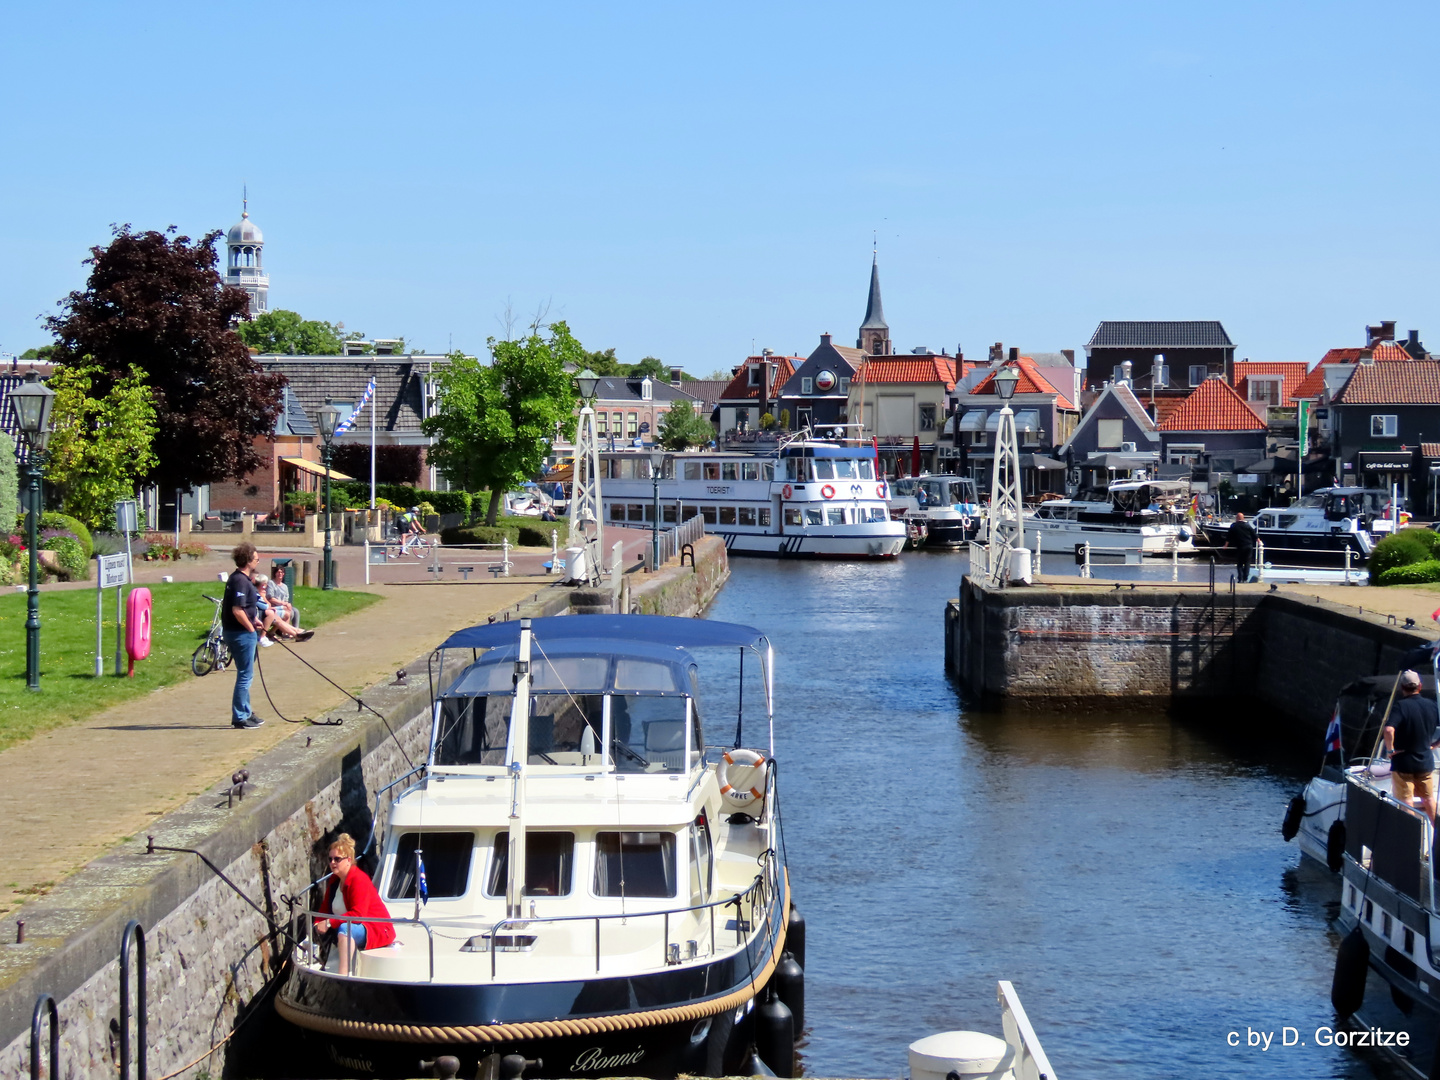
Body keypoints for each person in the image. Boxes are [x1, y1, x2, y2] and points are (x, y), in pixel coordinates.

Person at [317, 833, 395, 976]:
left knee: (345, 928)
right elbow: (324, 908)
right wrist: (317, 924)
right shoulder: (335, 880)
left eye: (337, 859)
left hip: (376, 929)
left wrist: (328, 923)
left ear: (348, 860)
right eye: (330, 859)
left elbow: (358, 915)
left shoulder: (359, 880)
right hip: (351, 926)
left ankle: (343, 975)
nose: (332, 862)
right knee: (340, 927)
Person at [1384, 670, 1440, 822]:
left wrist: (1390, 750)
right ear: (1419, 686)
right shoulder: (1433, 705)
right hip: (1425, 762)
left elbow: (1389, 730)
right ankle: (1437, 836)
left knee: (1406, 802)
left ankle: (1415, 840)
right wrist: (1435, 745)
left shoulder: (1401, 706)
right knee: (1428, 800)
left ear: (1402, 687)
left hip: (1404, 764)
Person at [222, 543, 264, 729]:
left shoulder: (241, 579)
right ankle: (239, 716)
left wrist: (254, 620)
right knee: (245, 675)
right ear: (247, 560)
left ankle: (247, 711)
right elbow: (237, 610)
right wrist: (250, 628)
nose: (258, 560)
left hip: (241, 631)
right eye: (255, 558)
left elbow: (244, 610)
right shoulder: (239, 581)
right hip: (240, 633)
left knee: (246, 673)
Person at [1227, 512, 1257, 582]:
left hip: (1240, 546)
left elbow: (1229, 537)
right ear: (1243, 518)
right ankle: (1245, 578)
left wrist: (1225, 545)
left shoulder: (1234, 526)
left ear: (1237, 518)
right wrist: (1259, 541)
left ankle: (1240, 579)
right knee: (1247, 563)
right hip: (1249, 546)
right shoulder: (1247, 525)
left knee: (1240, 563)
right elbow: (1254, 534)